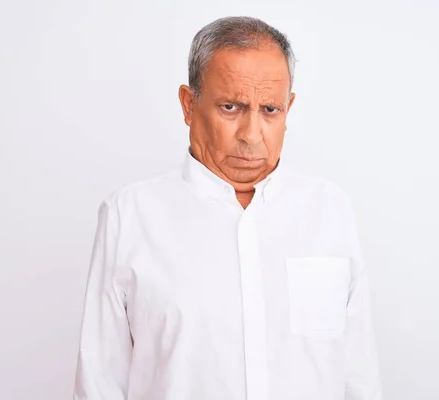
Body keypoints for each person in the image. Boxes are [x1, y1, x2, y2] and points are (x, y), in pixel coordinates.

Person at [73, 16, 382, 400]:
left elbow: (358, 376)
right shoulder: (130, 216)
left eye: (270, 110)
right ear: (189, 105)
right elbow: (100, 384)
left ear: (289, 108)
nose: (251, 136)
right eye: (231, 107)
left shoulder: (329, 211)